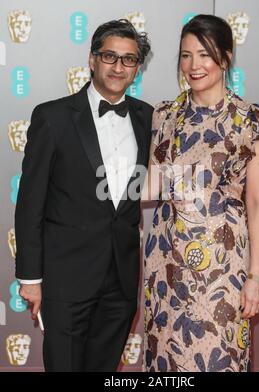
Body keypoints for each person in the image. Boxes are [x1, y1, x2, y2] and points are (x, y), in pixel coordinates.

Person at [143, 14, 259, 372]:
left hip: (222, 263)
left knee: (218, 356)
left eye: (204, 54)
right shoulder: (165, 116)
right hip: (166, 263)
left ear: (226, 57)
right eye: (186, 56)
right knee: (167, 360)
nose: (193, 65)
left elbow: (258, 202)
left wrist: (257, 277)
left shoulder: (252, 120)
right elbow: (150, 188)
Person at [15, 19, 152, 372]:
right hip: (65, 279)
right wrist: (30, 278)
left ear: (137, 67)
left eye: (129, 59)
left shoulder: (148, 118)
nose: (119, 67)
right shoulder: (53, 117)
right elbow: (31, 202)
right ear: (92, 60)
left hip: (120, 281)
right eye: (110, 56)